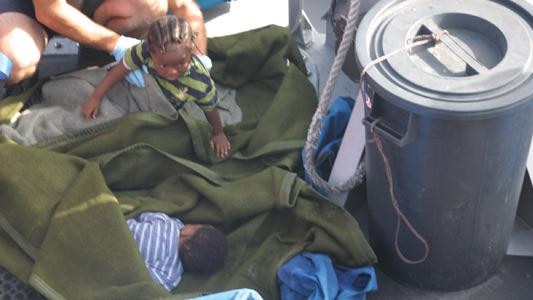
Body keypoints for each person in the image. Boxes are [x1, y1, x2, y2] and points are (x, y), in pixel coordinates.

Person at [81, 15, 231, 158]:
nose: (172, 71)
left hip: (179, 93)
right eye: (164, 65)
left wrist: (219, 133)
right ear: (151, 53)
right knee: (126, 62)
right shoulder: (144, 49)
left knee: (206, 65)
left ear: (191, 51)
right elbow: (121, 69)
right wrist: (96, 96)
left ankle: (202, 61)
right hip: (148, 75)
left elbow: (210, 109)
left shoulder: (199, 83)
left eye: (180, 63)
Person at [0, 0, 207, 87]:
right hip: (26, 5)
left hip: (83, 6)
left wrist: (200, 60)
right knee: (15, 60)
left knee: (150, 5)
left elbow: (184, 7)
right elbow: (48, 11)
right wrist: (117, 44)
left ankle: (99, 59)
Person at [127, 212, 228, 292]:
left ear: (186, 232)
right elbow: (143, 281)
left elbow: (143, 215)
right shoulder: (170, 276)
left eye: (195, 225)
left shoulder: (167, 223)